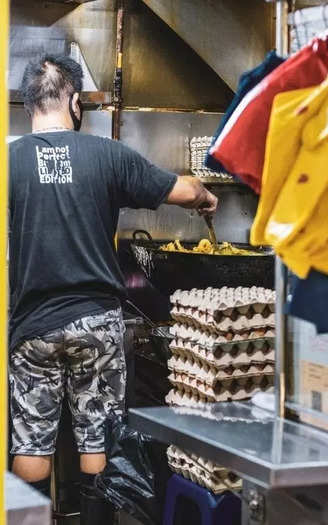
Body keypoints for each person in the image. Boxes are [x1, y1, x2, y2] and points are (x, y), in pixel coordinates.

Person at [9, 55, 218, 520]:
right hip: (95, 324)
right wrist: (205, 196)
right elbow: (182, 191)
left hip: (31, 327)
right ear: (76, 102)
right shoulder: (107, 154)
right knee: (97, 438)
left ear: (29, 106)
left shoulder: (11, 160)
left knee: (31, 443)